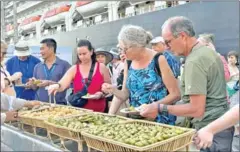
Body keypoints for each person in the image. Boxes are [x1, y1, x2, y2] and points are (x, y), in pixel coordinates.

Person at [140, 16, 233, 152]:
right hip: (221, 127)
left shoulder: (194, 61)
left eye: (168, 42)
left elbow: (196, 109)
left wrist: (160, 107)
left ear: (182, 36)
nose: (167, 47)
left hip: (208, 131)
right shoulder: (208, 53)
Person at [102, 25, 180, 124]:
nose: (122, 53)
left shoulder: (158, 59)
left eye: (124, 49)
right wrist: (113, 90)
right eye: (120, 49)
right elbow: (125, 94)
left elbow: (176, 95)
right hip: (137, 121)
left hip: (160, 121)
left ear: (137, 46)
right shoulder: (128, 62)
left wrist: (153, 106)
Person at [47, 40, 111, 112]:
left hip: (99, 111)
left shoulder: (101, 67)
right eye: (79, 54)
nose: (82, 57)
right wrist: (57, 86)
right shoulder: (74, 69)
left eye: (84, 54)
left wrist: (101, 94)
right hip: (79, 111)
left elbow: (109, 89)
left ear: (91, 51)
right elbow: (62, 84)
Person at [26, 38, 71, 105]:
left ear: (51, 49)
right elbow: (35, 88)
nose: (40, 52)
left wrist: (50, 83)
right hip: (40, 106)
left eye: (42, 49)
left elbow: (69, 85)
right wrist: (32, 84)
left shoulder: (64, 65)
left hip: (59, 106)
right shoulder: (37, 67)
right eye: (40, 49)